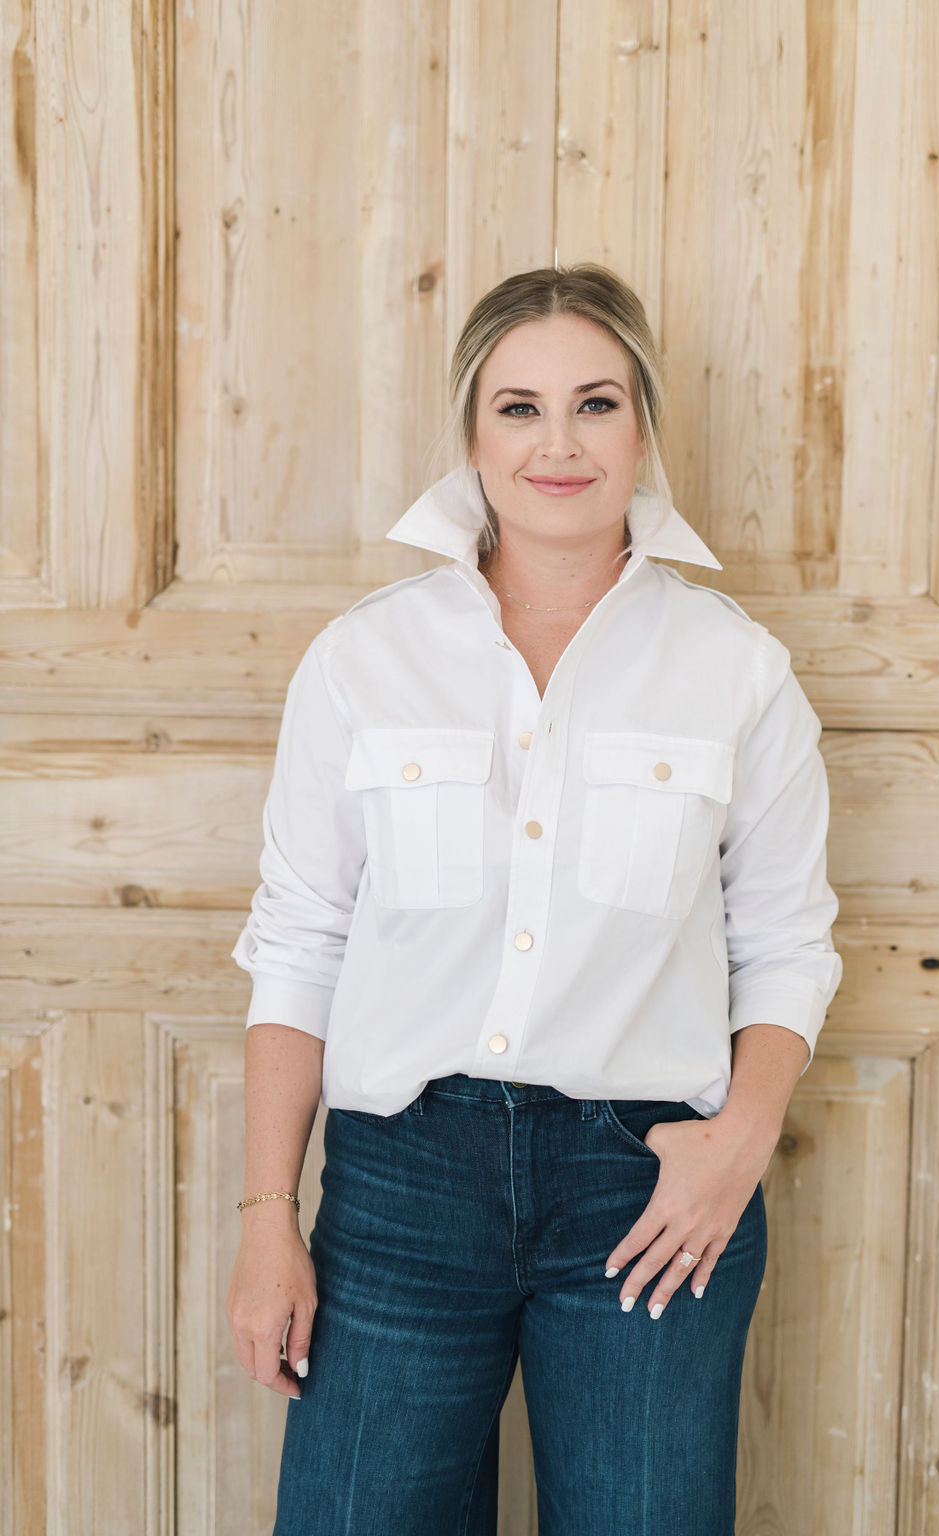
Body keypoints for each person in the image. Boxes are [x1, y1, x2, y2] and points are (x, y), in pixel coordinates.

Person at [226, 262, 842, 1535]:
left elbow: (785, 944)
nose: (557, 443)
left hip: (648, 1191)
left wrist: (738, 1145)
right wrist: (265, 1217)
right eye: (518, 407)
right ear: (470, 433)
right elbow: (299, 945)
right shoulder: (363, 660)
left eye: (595, 403)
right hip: (401, 1190)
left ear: (642, 428)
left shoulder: (735, 671)